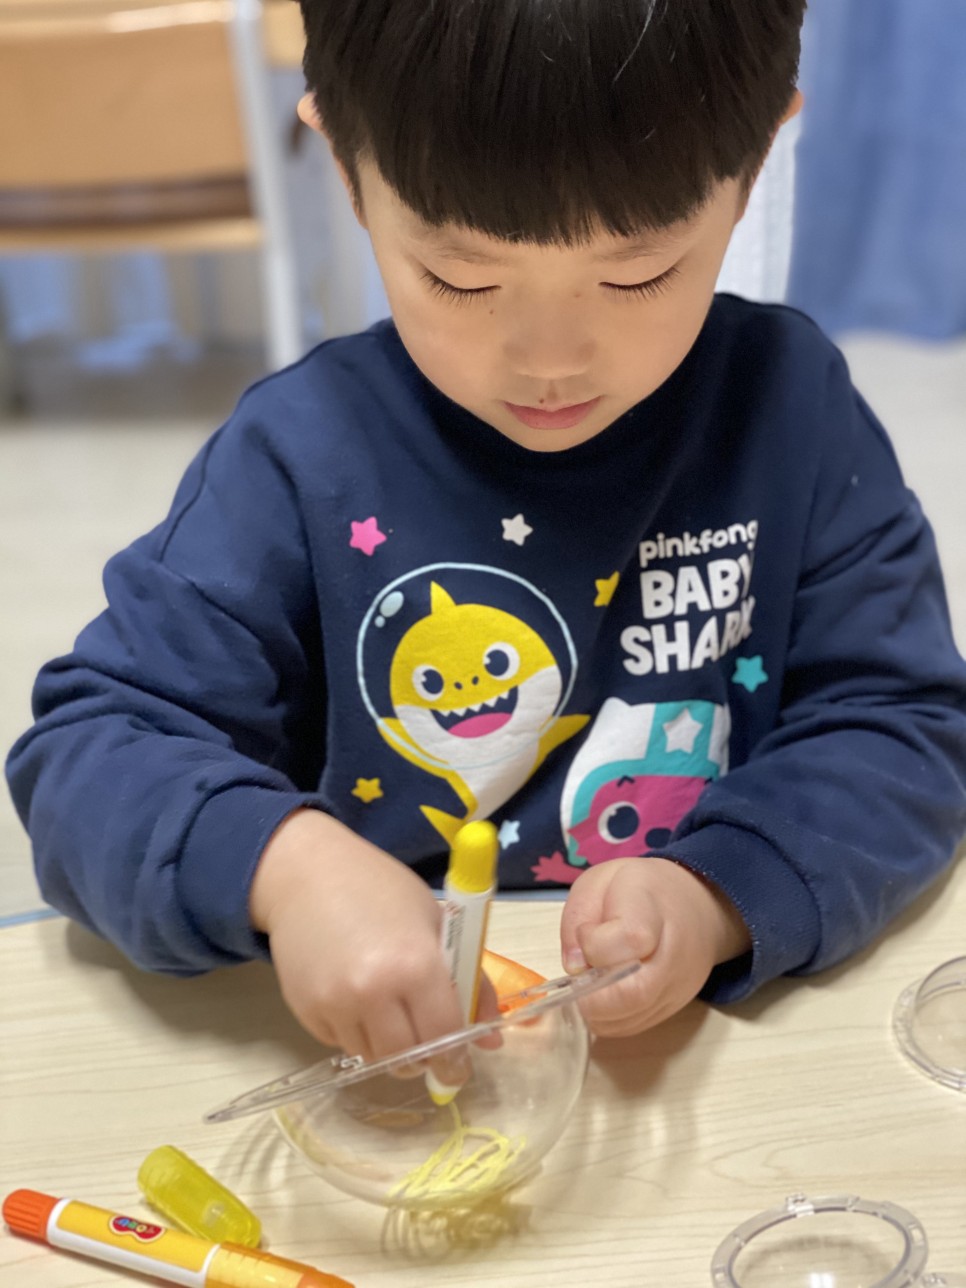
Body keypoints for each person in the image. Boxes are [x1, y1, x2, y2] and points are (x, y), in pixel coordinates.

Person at [7, 0, 966, 1066]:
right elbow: (89, 753)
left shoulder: (791, 411)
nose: (549, 359)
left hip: (694, 1061)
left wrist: (717, 895)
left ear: (755, 165)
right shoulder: (299, 455)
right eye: (460, 277)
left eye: (637, 274)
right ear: (346, 168)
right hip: (388, 1057)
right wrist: (288, 870)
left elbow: (901, 727)